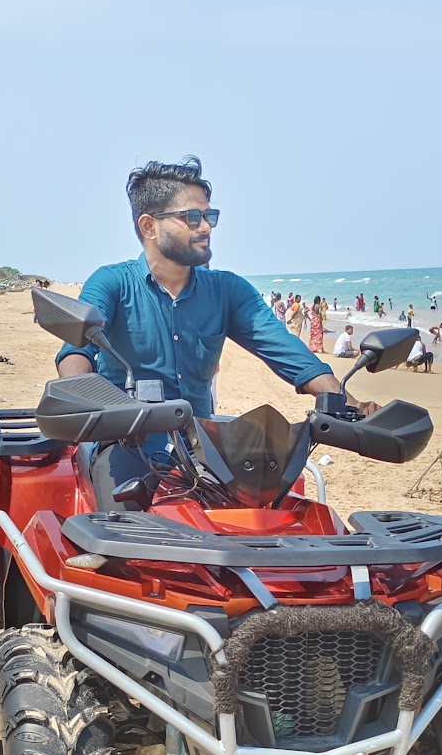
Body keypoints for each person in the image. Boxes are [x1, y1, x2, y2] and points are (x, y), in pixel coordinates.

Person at [56, 157, 377, 509]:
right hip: (125, 443)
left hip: (205, 449)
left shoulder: (227, 290)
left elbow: (283, 346)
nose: (206, 227)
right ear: (149, 226)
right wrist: (84, 401)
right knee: (124, 541)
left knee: (270, 527)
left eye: (210, 217)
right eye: (192, 217)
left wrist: (343, 401)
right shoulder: (113, 282)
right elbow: (77, 349)